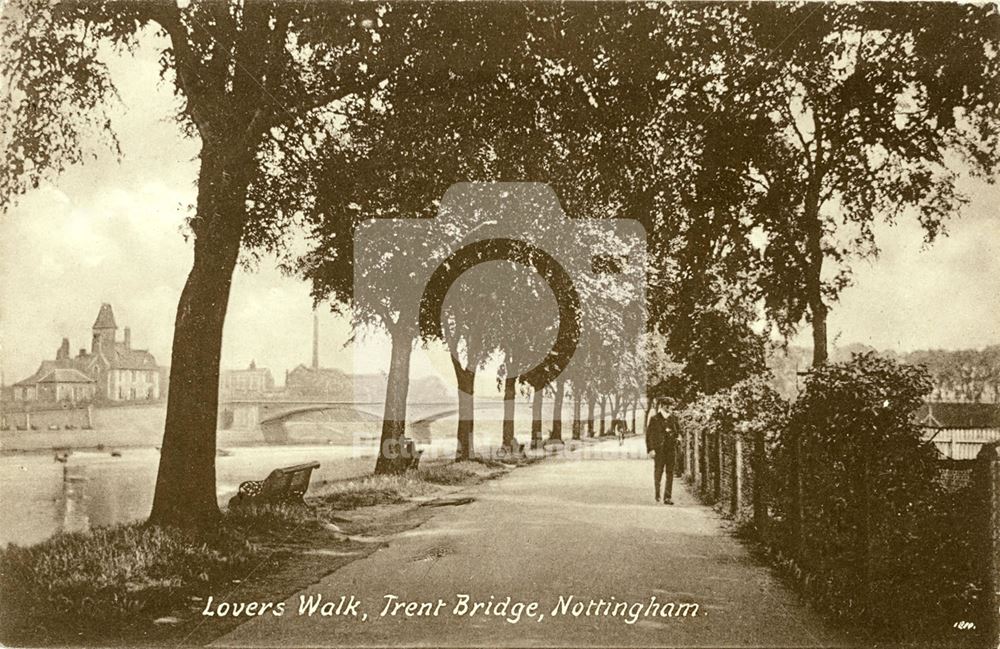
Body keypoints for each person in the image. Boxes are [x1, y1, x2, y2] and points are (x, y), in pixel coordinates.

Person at [646, 398, 679, 505]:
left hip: (670, 450)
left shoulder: (673, 418)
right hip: (659, 451)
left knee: (670, 473)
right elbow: (649, 435)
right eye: (670, 405)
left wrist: (678, 438)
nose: (671, 408)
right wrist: (650, 449)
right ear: (664, 406)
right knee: (658, 472)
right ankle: (657, 495)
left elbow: (678, 431)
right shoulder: (654, 419)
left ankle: (667, 497)